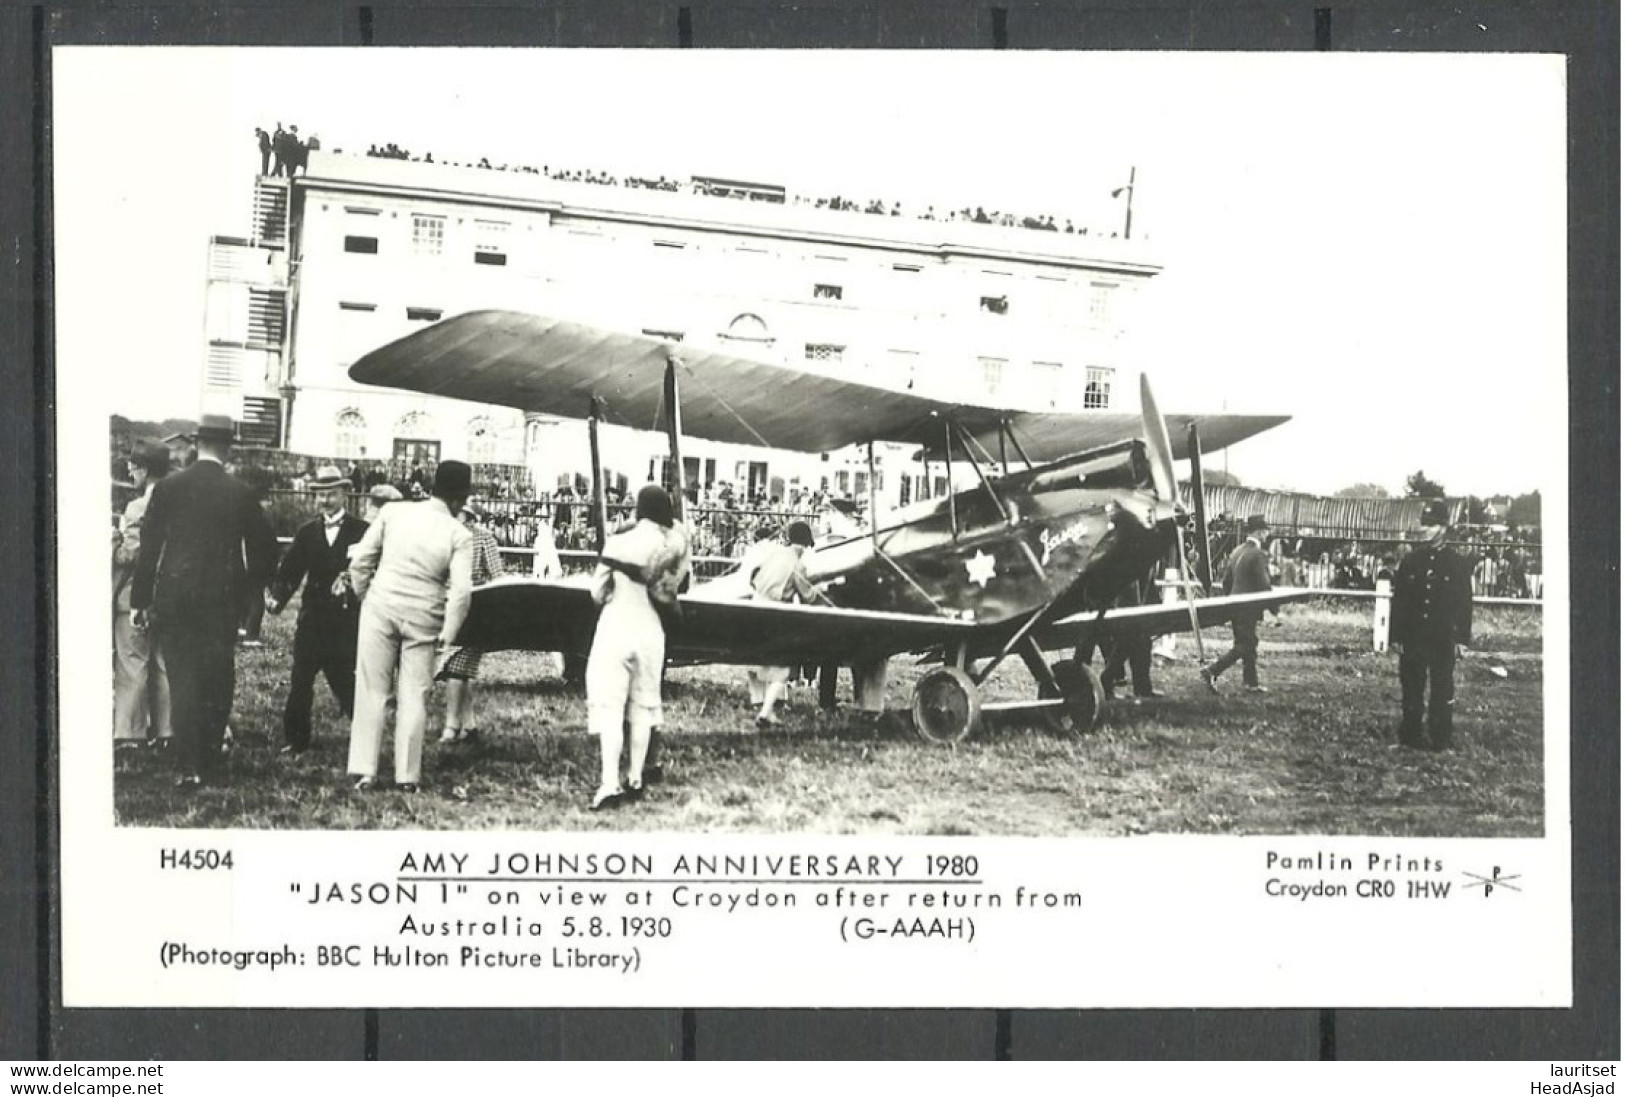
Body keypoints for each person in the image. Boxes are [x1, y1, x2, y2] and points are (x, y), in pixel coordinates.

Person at [129, 416, 276, 786]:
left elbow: (149, 547)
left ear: (197, 444)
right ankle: (208, 757)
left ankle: (187, 764)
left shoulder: (169, 487)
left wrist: (140, 599)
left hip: (175, 596)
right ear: (229, 448)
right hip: (222, 600)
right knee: (217, 677)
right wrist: (252, 589)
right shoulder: (240, 492)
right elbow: (266, 548)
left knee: (182, 679)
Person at [346, 461, 473, 792]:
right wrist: (449, 631)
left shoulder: (393, 512)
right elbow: (461, 592)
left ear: (432, 487)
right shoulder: (459, 533)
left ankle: (365, 771)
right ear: (460, 500)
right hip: (424, 615)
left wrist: (364, 595)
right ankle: (407, 777)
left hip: (380, 605)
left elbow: (361, 560)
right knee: (414, 694)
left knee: (371, 688)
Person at [585, 484, 690, 811]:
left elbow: (596, 592)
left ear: (637, 509)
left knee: (611, 707)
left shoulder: (618, 541)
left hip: (616, 625)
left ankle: (609, 782)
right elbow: (674, 591)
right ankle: (635, 777)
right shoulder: (671, 546)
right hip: (650, 630)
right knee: (644, 704)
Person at [265, 466, 369, 755]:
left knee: (345, 680)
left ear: (344, 494)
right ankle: (296, 740)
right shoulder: (307, 532)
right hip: (311, 620)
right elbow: (291, 570)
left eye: (332, 494)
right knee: (301, 680)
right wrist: (278, 598)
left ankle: (364, 739)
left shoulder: (362, 532)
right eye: (320, 495)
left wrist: (350, 581)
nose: (325, 501)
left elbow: (372, 569)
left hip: (346, 621)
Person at [1390, 500, 1473, 751]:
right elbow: (1400, 601)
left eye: (1431, 524)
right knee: (1412, 688)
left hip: (1441, 636)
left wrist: (1461, 640)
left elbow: (1464, 604)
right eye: (1424, 523)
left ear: (1443, 528)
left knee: (1442, 688)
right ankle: (1410, 737)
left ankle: (1441, 739)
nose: (1425, 529)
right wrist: (1396, 635)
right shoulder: (1412, 561)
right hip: (1414, 636)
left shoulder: (1456, 564)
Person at [112, 442, 172, 749]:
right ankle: (167, 731)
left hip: (134, 595)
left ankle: (129, 733)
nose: (130, 472)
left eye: (133, 467)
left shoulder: (138, 507)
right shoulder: (180, 502)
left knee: (132, 662)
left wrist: (112, 544)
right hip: (168, 596)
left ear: (145, 470)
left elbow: (133, 552)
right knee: (163, 663)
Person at [437, 506, 506, 744]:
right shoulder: (442, 537)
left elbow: (498, 577)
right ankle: (469, 725)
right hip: (448, 609)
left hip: (478, 609)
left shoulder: (484, 538)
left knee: (456, 667)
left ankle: (451, 726)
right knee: (457, 668)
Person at [746, 521, 821, 727]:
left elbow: (755, 578)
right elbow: (808, 596)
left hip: (755, 604)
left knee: (756, 659)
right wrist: (821, 589)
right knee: (781, 667)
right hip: (773, 612)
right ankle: (765, 712)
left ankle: (758, 702)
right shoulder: (798, 565)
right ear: (805, 545)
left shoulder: (775, 554)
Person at [1201, 514, 1275, 694]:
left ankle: (1251, 683)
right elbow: (1264, 584)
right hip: (1248, 607)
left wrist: (1231, 600)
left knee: (1247, 642)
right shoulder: (1258, 554)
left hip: (1235, 604)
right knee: (1246, 644)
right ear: (1258, 532)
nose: (1267, 535)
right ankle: (1213, 670)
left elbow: (1226, 581)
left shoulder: (1236, 551)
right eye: (1265, 531)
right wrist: (1274, 609)